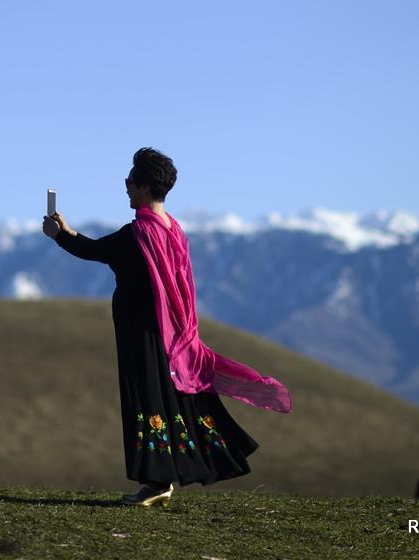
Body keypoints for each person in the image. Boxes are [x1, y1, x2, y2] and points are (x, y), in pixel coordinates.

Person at [42, 147, 291, 507]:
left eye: (130, 181)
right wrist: (68, 231)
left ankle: (157, 481)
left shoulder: (138, 234)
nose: (126, 186)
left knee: (147, 400)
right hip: (175, 335)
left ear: (144, 187)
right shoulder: (173, 231)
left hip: (143, 333)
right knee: (174, 398)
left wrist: (58, 235)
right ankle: (162, 479)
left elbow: (96, 251)